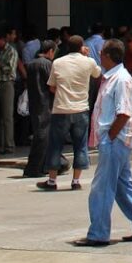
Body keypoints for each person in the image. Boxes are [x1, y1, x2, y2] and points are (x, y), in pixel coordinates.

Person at [75, 39, 132, 248]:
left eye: (102, 53)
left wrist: (109, 137)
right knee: (123, 186)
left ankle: (99, 233)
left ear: (108, 56)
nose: (99, 57)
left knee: (101, 189)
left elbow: (124, 113)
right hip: (115, 140)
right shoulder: (112, 78)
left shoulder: (120, 79)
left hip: (115, 141)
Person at [39, 34, 100, 191]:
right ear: (81, 47)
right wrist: (86, 56)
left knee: (55, 145)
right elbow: (97, 73)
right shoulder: (88, 62)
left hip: (61, 108)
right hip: (81, 109)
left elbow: (52, 87)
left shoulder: (58, 62)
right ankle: (76, 181)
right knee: (80, 145)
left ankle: (52, 181)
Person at [23, 38, 56, 178]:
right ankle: (36, 167)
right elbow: (52, 86)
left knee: (39, 134)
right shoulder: (47, 64)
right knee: (43, 136)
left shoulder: (31, 64)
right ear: (50, 51)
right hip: (45, 103)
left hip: (34, 103)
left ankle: (38, 166)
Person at [0, 30, 18, 155]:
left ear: (3, 40)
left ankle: (9, 145)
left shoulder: (11, 51)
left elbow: (9, 68)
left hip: (6, 83)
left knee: (7, 116)